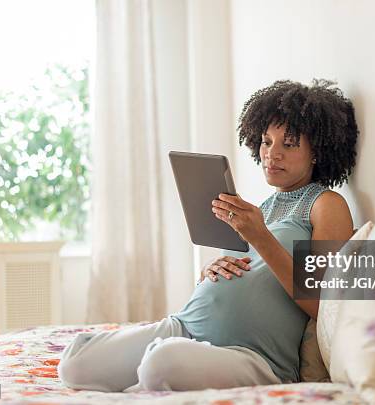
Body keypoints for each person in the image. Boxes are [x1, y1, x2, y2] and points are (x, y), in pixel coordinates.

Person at [58, 79, 358, 392]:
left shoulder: (326, 205)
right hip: (184, 325)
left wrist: (260, 238)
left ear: (317, 153)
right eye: (267, 142)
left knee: (160, 365)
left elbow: (324, 302)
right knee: (75, 365)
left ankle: (160, 364)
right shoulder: (262, 208)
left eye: (289, 143)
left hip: (254, 356)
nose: (272, 154)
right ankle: (160, 358)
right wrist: (210, 271)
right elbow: (254, 274)